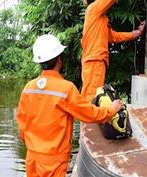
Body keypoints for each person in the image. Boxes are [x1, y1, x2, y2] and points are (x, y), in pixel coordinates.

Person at [16, 34, 123, 177]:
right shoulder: (65, 89)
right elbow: (89, 113)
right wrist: (111, 110)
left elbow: (22, 125)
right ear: (59, 60)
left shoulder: (29, 88)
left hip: (32, 157)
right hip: (54, 160)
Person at [81, 0, 146, 101]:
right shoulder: (93, 8)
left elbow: (113, 37)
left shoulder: (100, 18)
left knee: (95, 96)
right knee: (91, 97)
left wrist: (135, 34)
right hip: (94, 59)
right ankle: (89, 121)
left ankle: (92, 120)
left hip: (96, 60)